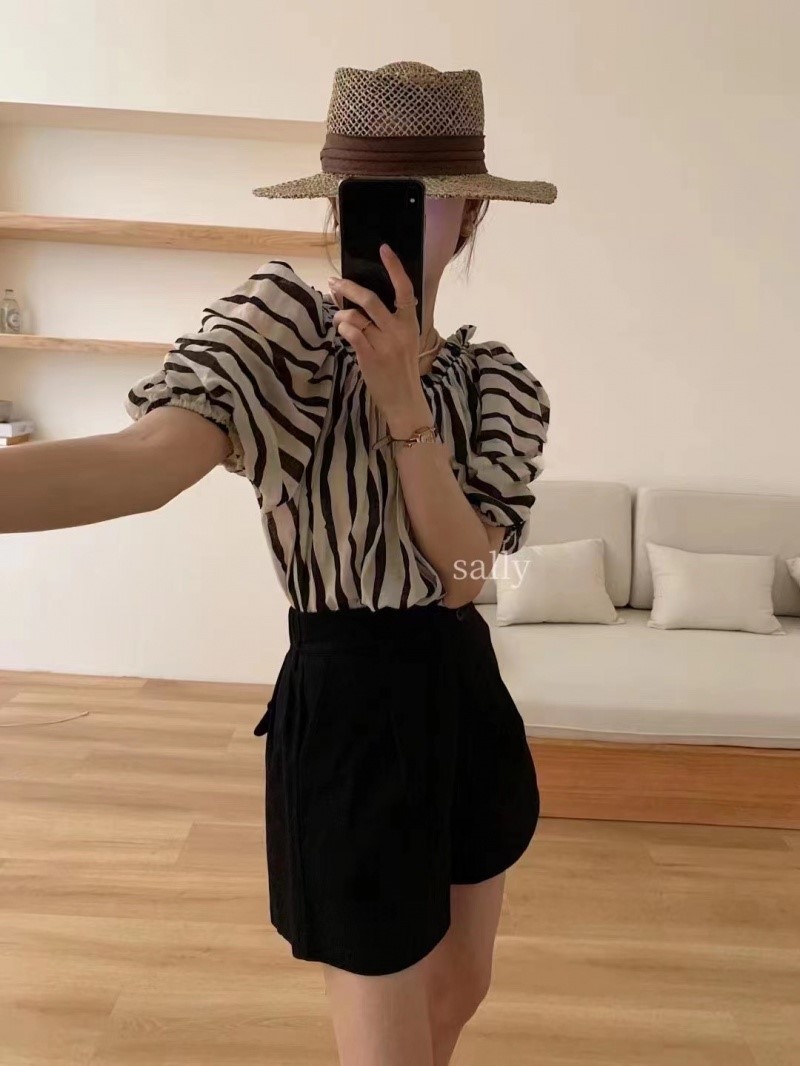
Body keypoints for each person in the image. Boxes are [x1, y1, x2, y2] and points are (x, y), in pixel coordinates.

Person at [0, 61, 556, 1066]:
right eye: (366, 192)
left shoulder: (498, 384)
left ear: (470, 214)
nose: (390, 216)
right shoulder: (281, 334)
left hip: (463, 689)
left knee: (457, 992)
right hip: (348, 707)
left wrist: (405, 405)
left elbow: (470, 577)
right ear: (335, 205)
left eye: (422, 194)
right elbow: (145, 462)